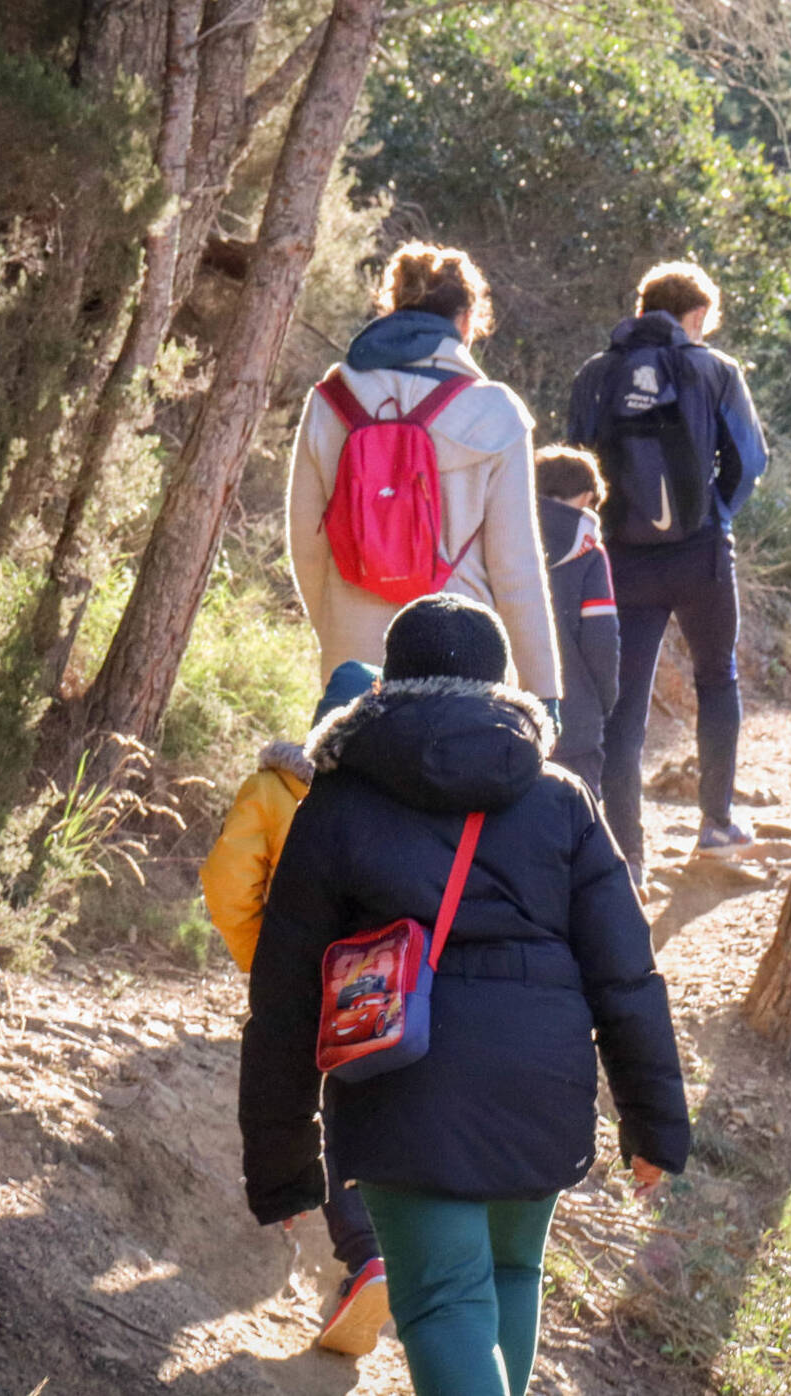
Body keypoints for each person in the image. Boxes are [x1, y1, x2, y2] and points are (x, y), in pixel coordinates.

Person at [239, 594, 688, 1396]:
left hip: (403, 1082)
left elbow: (283, 998)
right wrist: (653, 1121)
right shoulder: (561, 800)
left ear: (389, 683)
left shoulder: (337, 803)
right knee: (512, 1273)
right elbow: (627, 974)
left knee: (445, 1302)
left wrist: (282, 1161)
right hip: (539, 1082)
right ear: (501, 685)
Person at [197, 659, 387, 1357]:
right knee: (355, 1106)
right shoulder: (391, 801)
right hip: (374, 986)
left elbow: (227, 883)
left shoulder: (276, 788)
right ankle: (380, 1250)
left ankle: (356, 1247)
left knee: (297, 1104)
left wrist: (263, 960)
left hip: (300, 983)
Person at [288, 242, 561, 703]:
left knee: (356, 775)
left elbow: (306, 545)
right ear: (466, 319)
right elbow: (517, 570)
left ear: (392, 307)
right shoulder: (495, 412)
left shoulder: (331, 400)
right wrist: (543, 691)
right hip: (464, 651)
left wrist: (335, 632)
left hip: (353, 655)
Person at [565, 261, 768, 881]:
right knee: (717, 680)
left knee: (623, 708)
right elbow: (750, 461)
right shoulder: (715, 368)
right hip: (701, 556)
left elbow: (577, 471)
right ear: (697, 315)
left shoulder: (597, 375)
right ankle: (716, 826)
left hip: (622, 562)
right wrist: (713, 516)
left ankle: (624, 859)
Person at [532, 446, 619, 799]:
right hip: (576, 721)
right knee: (582, 829)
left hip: (511, 717)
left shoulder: (503, 537)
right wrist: (605, 701)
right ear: (586, 496)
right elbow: (602, 641)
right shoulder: (589, 553)